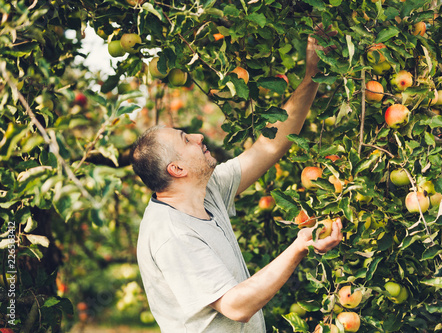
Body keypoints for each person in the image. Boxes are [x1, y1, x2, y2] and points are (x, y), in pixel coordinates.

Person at [130, 29, 343, 332]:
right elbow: (235, 305)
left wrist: (311, 77)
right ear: (177, 169)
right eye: (185, 139)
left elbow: (270, 145)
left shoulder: (205, 191)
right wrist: (299, 246)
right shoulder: (171, 234)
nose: (198, 136)